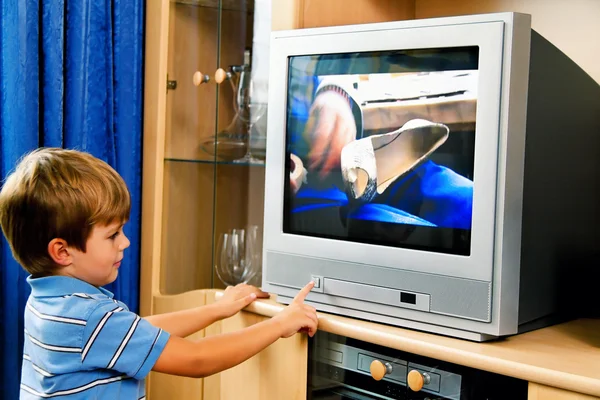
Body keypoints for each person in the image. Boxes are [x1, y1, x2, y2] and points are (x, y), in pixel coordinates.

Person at [0, 147, 318, 399]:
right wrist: (279, 324)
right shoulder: (91, 317)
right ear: (62, 251)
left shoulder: (51, 302)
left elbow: (136, 333)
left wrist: (217, 310)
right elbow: (198, 359)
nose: (125, 242)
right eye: (112, 235)